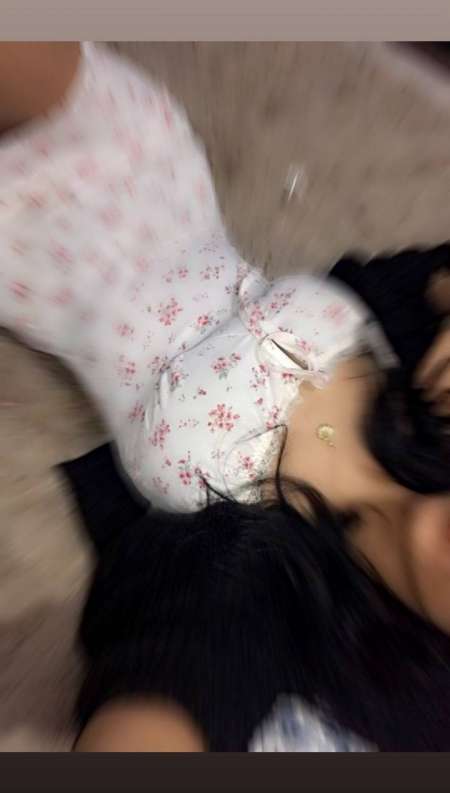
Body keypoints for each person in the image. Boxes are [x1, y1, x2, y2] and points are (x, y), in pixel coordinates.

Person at [1, 42, 450, 750]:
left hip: (27, 256)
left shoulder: (274, 605)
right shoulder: (432, 413)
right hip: (148, 168)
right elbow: (429, 273)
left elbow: (176, 679)